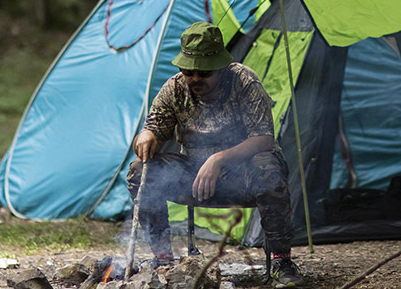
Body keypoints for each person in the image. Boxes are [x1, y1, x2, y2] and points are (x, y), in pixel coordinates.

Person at [127, 21, 304, 287]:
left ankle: (281, 260)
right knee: (141, 170)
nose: (195, 79)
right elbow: (154, 128)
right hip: (193, 174)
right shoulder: (175, 88)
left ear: (220, 68)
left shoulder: (244, 82)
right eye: (188, 72)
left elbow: (264, 139)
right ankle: (163, 258)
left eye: (204, 73)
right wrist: (146, 135)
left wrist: (219, 159)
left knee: (269, 169)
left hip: (243, 173)